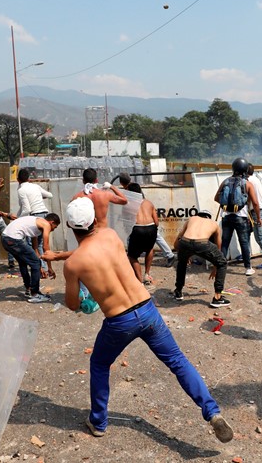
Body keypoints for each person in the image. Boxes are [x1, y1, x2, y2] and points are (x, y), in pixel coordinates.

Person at [50, 197, 234, 442]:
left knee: (99, 364)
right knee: (178, 361)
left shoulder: (74, 264)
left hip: (119, 321)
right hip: (147, 309)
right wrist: (61, 257)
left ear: (71, 228)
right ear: (94, 220)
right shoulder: (111, 236)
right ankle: (212, 413)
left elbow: (73, 304)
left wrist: (80, 286)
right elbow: (96, 246)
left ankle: (98, 422)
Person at [213, 158, 262, 276]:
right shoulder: (247, 184)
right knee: (244, 242)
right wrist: (258, 218)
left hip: (226, 217)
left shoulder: (225, 181)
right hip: (241, 217)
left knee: (225, 242)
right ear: (245, 170)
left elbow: (216, 198)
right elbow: (255, 203)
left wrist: (227, 205)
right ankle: (248, 268)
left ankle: (221, 266)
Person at [118, 174, 177, 268]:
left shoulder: (131, 190)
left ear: (121, 183)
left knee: (146, 239)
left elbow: (140, 203)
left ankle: (132, 257)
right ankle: (168, 255)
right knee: (154, 237)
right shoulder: (133, 188)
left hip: (141, 223)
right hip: (147, 223)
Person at [173, 210, 229, 307]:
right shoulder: (214, 224)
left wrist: (184, 255)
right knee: (222, 263)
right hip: (202, 243)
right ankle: (217, 297)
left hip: (184, 243)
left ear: (198, 215)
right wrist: (215, 267)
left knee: (181, 263)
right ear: (208, 217)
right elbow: (218, 246)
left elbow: (178, 239)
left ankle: (178, 291)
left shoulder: (191, 219)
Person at [2, 213, 61, 303]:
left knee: (23, 262)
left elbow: (35, 248)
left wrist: (39, 267)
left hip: (6, 238)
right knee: (36, 263)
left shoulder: (36, 224)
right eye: (55, 227)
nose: (53, 230)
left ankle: (29, 289)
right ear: (51, 222)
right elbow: (46, 247)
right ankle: (35, 294)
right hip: (13, 239)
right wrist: (49, 267)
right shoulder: (46, 224)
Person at [124, 183, 159, 285]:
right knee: (150, 249)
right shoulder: (149, 203)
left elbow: (126, 222)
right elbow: (157, 222)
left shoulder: (128, 204)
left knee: (132, 256)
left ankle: (139, 281)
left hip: (137, 228)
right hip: (151, 227)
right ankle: (147, 274)